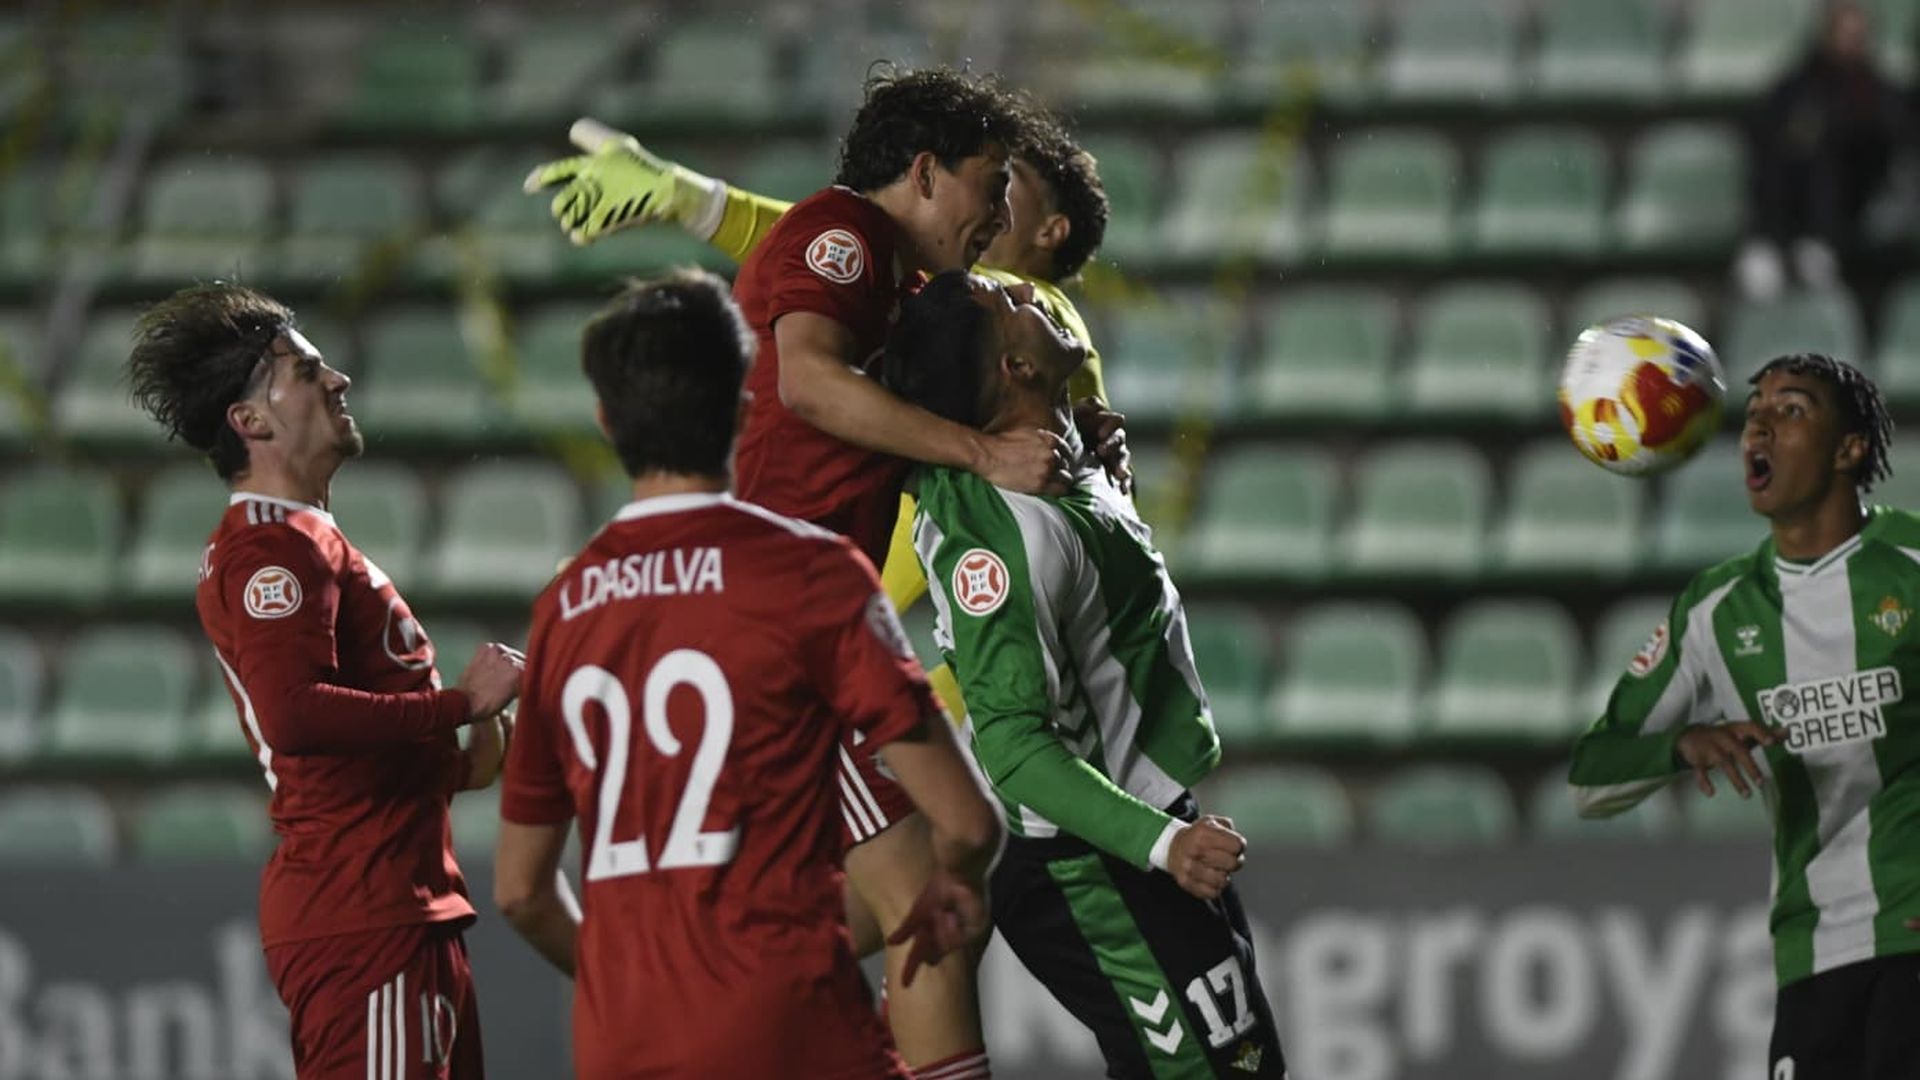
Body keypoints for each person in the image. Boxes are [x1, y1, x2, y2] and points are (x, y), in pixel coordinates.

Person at [525, 66, 1081, 1078]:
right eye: (991, 182)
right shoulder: (847, 234)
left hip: (781, 619)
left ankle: (721, 1001)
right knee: (928, 886)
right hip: (782, 626)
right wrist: (982, 452)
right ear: (925, 172)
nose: (1000, 213)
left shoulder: (895, 275)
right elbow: (812, 383)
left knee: (883, 899)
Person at [491, 270, 1002, 1079]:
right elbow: (969, 824)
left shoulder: (564, 608)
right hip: (789, 1027)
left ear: (607, 422)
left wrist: (639, 993)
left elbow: (521, 891)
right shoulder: (812, 572)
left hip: (623, 1044)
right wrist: (958, 884)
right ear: (742, 408)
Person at [884, 271, 1286, 1079]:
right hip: (1090, 857)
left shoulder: (1054, 454)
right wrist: (1163, 844)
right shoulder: (1010, 538)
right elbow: (1013, 748)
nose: (1034, 297)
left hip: (1129, 825)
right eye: (1013, 305)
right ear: (1016, 368)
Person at [125, 283, 525, 1079]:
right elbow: (295, 717)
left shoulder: (305, 540)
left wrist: (464, 754)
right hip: (363, 913)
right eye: (308, 373)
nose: (338, 379)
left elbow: (349, 753)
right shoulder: (272, 550)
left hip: (399, 905)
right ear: (251, 420)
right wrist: (461, 703)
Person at [1569, 353, 1920, 1078]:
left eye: (1791, 411)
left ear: (1850, 450)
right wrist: (1681, 745)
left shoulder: (1912, 566)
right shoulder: (1716, 609)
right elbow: (1591, 780)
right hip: (1813, 957)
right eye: (1754, 412)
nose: (1758, 426)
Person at [1736, 1, 1906, 300]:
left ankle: (1817, 243)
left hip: (1854, 207)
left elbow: (1887, 146)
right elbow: (1766, 137)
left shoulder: (1877, 91)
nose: (1849, 43)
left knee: (1824, 158)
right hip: (1790, 200)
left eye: (1857, 36)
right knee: (1790, 151)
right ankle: (1769, 243)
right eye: (1843, 34)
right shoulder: (1794, 87)